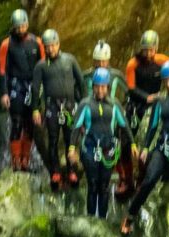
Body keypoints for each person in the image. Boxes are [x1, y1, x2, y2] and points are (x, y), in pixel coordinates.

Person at [121, 60, 169, 235]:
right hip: (163, 149)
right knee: (149, 180)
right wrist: (146, 148)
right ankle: (130, 216)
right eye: (166, 81)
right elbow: (153, 126)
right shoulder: (160, 101)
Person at [69, 68, 133, 218]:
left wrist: (133, 144)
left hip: (108, 150)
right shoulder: (85, 104)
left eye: (103, 86)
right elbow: (77, 126)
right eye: (97, 86)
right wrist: (72, 148)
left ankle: (102, 220)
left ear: (108, 87)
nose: (100, 90)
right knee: (92, 186)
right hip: (89, 149)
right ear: (93, 87)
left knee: (103, 187)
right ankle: (92, 219)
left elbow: (124, 125)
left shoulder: (115, 104)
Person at [32, 29, 84, 189]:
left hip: (69, 107)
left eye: (53, 46)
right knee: (53, 141)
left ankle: (72, 171)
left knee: (71, 140)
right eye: (47, 47)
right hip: (52, 108)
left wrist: (85, 107)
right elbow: (36, 88)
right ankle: (55, 172)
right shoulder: (41, 66)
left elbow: (81, 83)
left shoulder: (69, 60)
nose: (50, 49)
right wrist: (35, 109)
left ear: (58, 44)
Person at [83, 41, 134, 197]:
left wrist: (125, 108)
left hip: (113, 114)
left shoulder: (116, 75)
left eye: (104, 61)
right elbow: (80, 93)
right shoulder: (87, 76)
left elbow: (129, 92)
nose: (101, 64)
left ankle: (125, 178)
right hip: (93, 116)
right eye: (98, 61)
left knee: (120, 145)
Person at [0, 9, 44, 171]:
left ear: (27, 25)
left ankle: (25, 160)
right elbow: (2, 70)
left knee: (30, 124)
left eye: (23, 26)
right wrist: (4, 93)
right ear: (14, 27)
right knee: (17, 123)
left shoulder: (36, 42)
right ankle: (16, 161)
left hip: (32, 87)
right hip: (16, 87)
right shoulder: (7, 44)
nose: (20, 30)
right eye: (18, 27)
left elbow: (44, 65)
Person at [124, 30, 169, 138]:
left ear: (156, 48)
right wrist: (146, 97)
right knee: (129, 135)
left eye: (151, 50)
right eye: (145, 50)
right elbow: (131, 87)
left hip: (155, 102)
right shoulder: (133, 64)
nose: (148, 54)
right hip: (137, 103)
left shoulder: (162, 60)